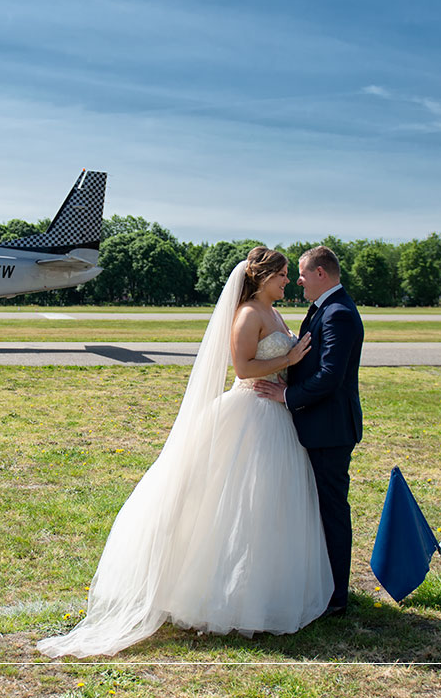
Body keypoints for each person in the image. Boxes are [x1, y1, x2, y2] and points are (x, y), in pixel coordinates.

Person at [38, 247, 334, 659]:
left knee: (267, 507)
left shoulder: (274, 312)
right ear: (264, 277)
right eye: (283, 275)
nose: (288, 281)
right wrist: (288, 358)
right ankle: (218, 593)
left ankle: (263, 590)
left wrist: (291, 369)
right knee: (231, 505)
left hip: (276, 415)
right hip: (250, 411)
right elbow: (244, 368)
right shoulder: (248, 314)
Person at [254, 245, 363, 618]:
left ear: (321, 274)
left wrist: (286, 394)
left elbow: (330, 377)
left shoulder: (339, 314)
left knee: (331, 509)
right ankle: (321, 583)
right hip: (314, 424)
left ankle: (335, 596)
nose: (297, 280)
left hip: (330, 428)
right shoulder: (324, 309)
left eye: (301, 274)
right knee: (314, 508)